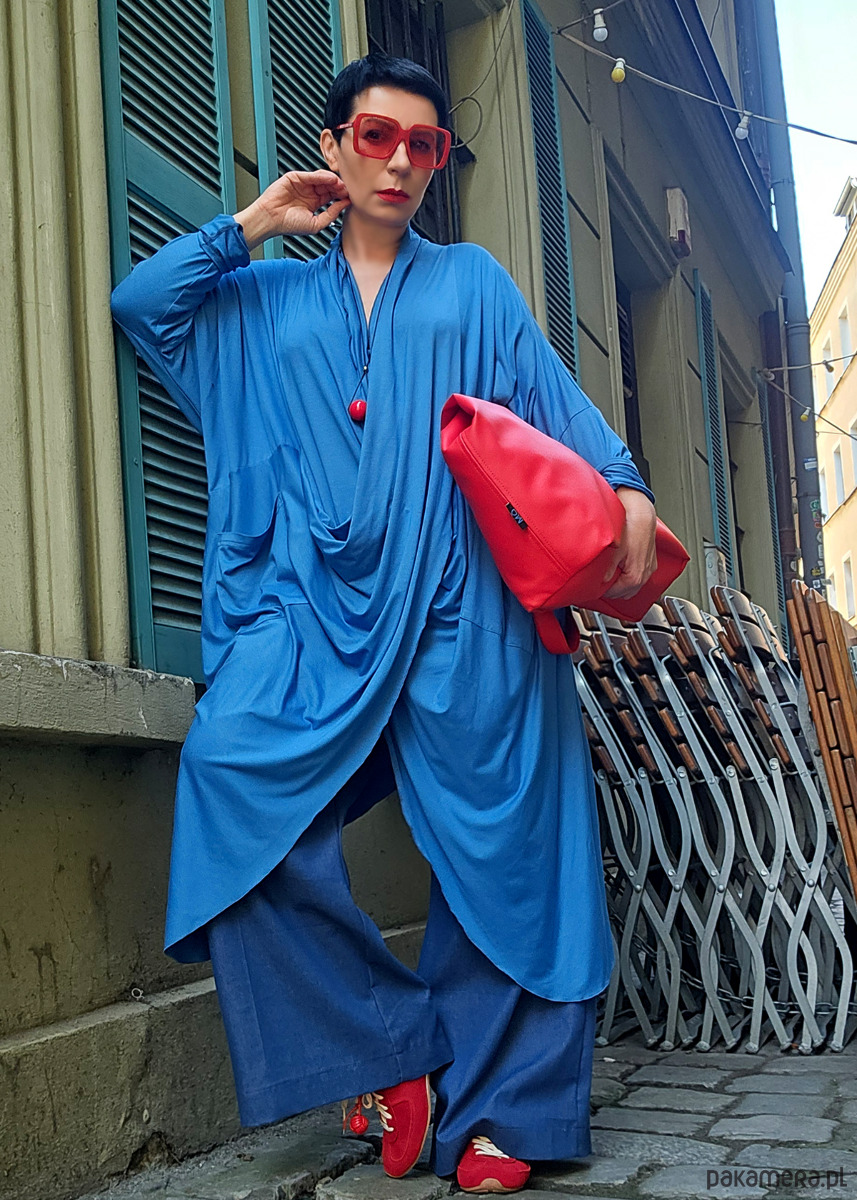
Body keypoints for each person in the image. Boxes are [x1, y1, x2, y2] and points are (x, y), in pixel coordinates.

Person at [110, 52, 657, 1196]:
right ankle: (388, 1053)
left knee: (511, 844)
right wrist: (254, 223)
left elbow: (553, 404)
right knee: (227, 782)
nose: (400, 160)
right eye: (374, 135)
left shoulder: (470, 283)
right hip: (309, 613)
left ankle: (503, 1115)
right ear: (332, 148)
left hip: (460, 606)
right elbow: (143, 306)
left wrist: (625, 489)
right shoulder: (265, 302)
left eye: (424, 144)